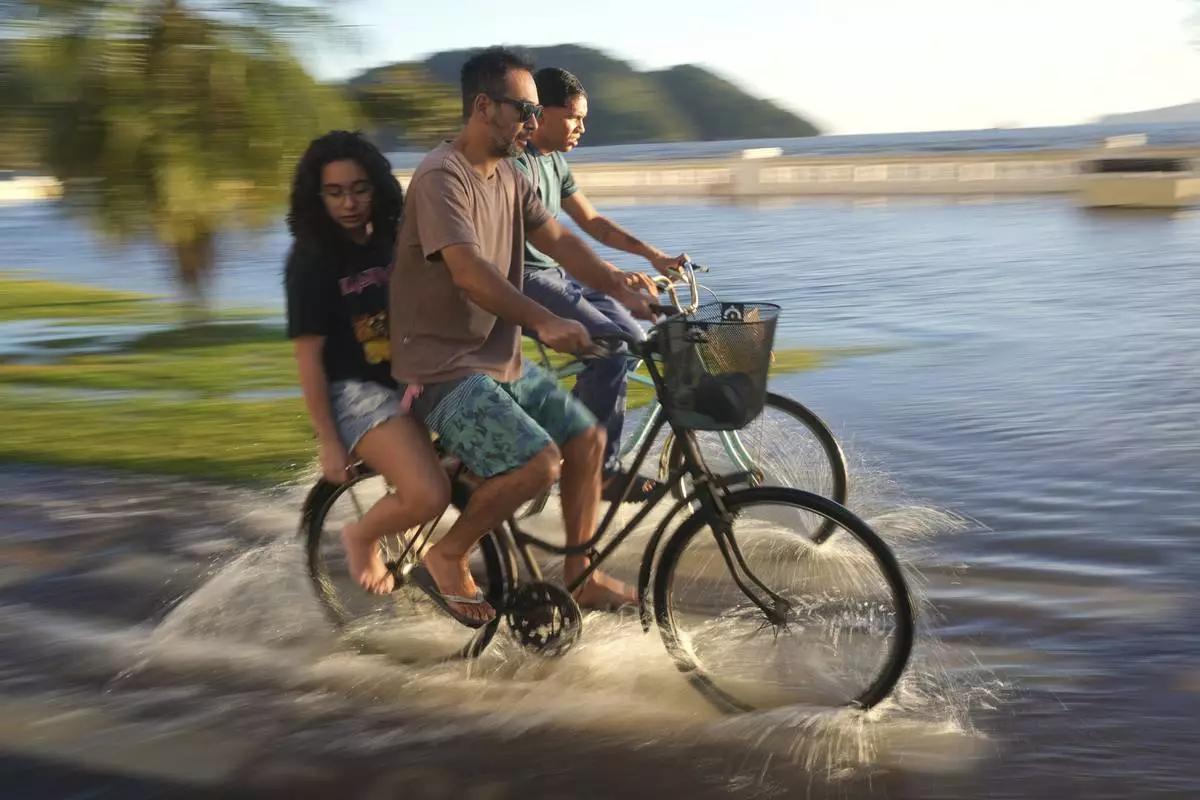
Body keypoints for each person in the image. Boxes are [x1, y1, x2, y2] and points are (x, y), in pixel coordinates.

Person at [389, 46, 656, 627]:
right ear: (484, 107)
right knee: (538, 465)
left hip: (495, 359)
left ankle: (578, 578)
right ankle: (448, 553)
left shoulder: (511, 175)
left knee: (585, 441)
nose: (534, 124)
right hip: (442, 367)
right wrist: (543, 319)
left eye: (538, 114)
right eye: (525, 111)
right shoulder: (442, 178)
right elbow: (468, 272)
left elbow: (560, 241)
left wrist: (618, 284)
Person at [285, 130, 450, 596]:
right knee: (430, 493)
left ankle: (420, 536)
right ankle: (362, 534)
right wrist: (329, 440)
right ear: (317, 196)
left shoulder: (389, 243)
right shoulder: (311, 261)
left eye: (359, 189)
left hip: (405, 380)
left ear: (376, 188)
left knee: (496, 458)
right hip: (353, 393)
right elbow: (308, 358)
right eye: (335, 192)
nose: (349, 203)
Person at [513, 67, 687, 501]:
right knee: (610, 349)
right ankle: (599, 470)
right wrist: (612, 278)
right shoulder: (516, 165)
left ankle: (579, 431)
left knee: (635, 336)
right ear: (544, 112)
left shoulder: (554, 160)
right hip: (525, 283)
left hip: (556, 275)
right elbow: (556, 242)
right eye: (575, 117)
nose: (582, 127)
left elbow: (592, 222)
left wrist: (653, 257)